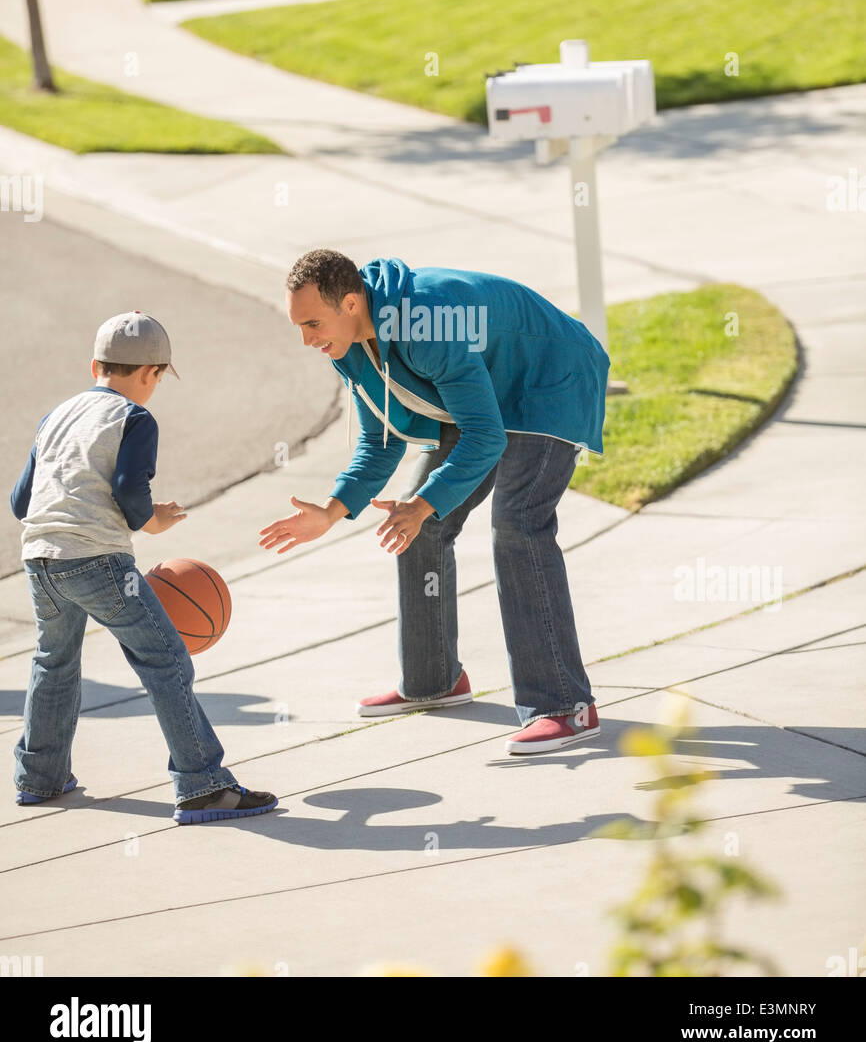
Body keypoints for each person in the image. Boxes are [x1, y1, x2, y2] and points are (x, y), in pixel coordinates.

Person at [259, 250, 610, 755]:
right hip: (483, 392)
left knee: (517, 524)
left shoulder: (425, 323)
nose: (307, 339)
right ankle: (433, 681)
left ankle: (564, 707)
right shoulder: (350, 346)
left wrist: (427, 503)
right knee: (416, 522)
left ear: (352, 302)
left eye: (312, 323)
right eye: (299, 326)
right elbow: (382, 440)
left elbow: (486, 436)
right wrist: (333, 511)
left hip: (548, 379)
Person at [10, 311, 277, 823]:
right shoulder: (134, 418)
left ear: (96, 365)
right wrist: (149, 522)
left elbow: (22, 501)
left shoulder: (57, 415)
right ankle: (202, 786)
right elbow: (130, 489)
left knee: (54, 661)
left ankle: (39, 778)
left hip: (41, 559)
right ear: (153, 373)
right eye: (158, 377)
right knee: (165, 659)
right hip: (98, 559)